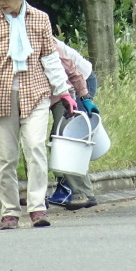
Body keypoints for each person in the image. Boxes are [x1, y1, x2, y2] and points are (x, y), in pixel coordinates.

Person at [0, 0, 77, 230]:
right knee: (6, 157)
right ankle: (9, 211)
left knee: (35, 148)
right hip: (2, 94)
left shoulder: (40, 19)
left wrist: (63, 90)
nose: (1, 2)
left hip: (37, 92)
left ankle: (37, 207)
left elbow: (50, 58)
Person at [47, 38, 100, 210]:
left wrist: (84, 97)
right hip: (50, 90)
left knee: (66, 138)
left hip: (76, 81)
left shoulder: (39, 32)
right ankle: (63, 189)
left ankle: (83, 193)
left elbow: (71, 70)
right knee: (50, 140)